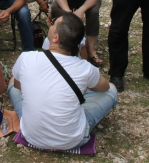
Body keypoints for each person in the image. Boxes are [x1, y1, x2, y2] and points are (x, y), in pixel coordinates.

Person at [8, 12, 118, 151]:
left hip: (31, 135)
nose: (50, 25)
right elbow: (105, 87)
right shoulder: (86, 69)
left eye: (53, 25)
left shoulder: (26, 58)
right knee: (112, 90)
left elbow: (19, 86)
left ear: (55, 38)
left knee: (13, 82)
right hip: (71, 140)